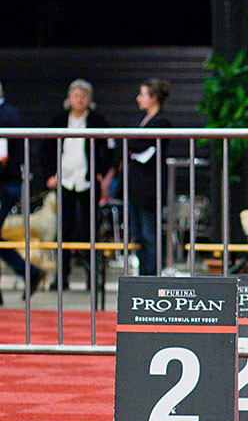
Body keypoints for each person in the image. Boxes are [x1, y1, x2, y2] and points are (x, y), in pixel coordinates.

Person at [40, 79, 117, 289]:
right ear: (69, 98)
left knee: (89, 229)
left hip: (88, 182)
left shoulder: (98, 121)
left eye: (84, 96)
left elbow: (110, 150)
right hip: (64, 181)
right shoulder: (58, 120)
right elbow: (45, 149)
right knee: (63, 229)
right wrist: (50, 175)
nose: (80, 100)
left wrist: (102, 174)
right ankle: (62, 277)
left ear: (89, 99)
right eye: (76, 96)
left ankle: (92, 277)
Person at [0, 80, 44, 298]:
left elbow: (2, 157)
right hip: (9, 183)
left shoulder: (3, 116)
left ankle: (30, 272)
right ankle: (29, 272)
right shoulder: (9, 112)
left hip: (4, 185)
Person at [125, 78, 172, 276]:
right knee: (138, 234)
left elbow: (138, 145)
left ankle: (152, 274)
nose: (138, 98)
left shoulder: (161, 122)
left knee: (149, 233)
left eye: (142, 95)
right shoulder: (144, 121)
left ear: (154, 98)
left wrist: (133, 146)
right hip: (136, 186)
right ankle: (143, 272)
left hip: (150, 186)